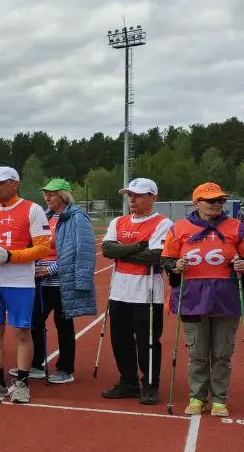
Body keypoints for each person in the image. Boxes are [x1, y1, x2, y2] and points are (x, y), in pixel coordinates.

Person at [0, 166, 53, 403]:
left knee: (22, 332)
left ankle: (23, 384)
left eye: (1, 183)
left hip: (19, 281)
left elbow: (43, 247)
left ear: (15, 184)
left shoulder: (32, 209)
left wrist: (10, 256)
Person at [161, 182, 244, 417]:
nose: (217, 204)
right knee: (197, 353)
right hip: (191, 298)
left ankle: (219, 400)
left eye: (220, 200)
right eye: (211, 200)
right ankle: (197, 397)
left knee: (222, 353)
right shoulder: (179, 229)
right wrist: (175, 266)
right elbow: (166, 260)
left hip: (227, 299)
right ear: (196, 202)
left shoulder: (237, 228)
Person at [99, 179, 174, 403]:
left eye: (139, 195)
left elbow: (156, 256)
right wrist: (138, 246)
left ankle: (150, 386)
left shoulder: (163, 223)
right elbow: (107, 250)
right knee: (120, 340)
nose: (132, 199)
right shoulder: (118, 221)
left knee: (148, 340)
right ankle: (128, 382)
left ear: (153, 197)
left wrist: (121, 252)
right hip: (119, 291)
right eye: (130, 194)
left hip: (148, 292)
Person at [31, 179, 96, 384]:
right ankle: (36, 364)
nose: (47, 197)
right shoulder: (45, 217)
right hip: (40, 281)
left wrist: (50, 269)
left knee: (64, 325)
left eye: (52, 194)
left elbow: (80, 252)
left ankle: (65, 368)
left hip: (62, 282)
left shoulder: (77, 218)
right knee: (34, 322)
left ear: (64, 195)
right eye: (46, 194)